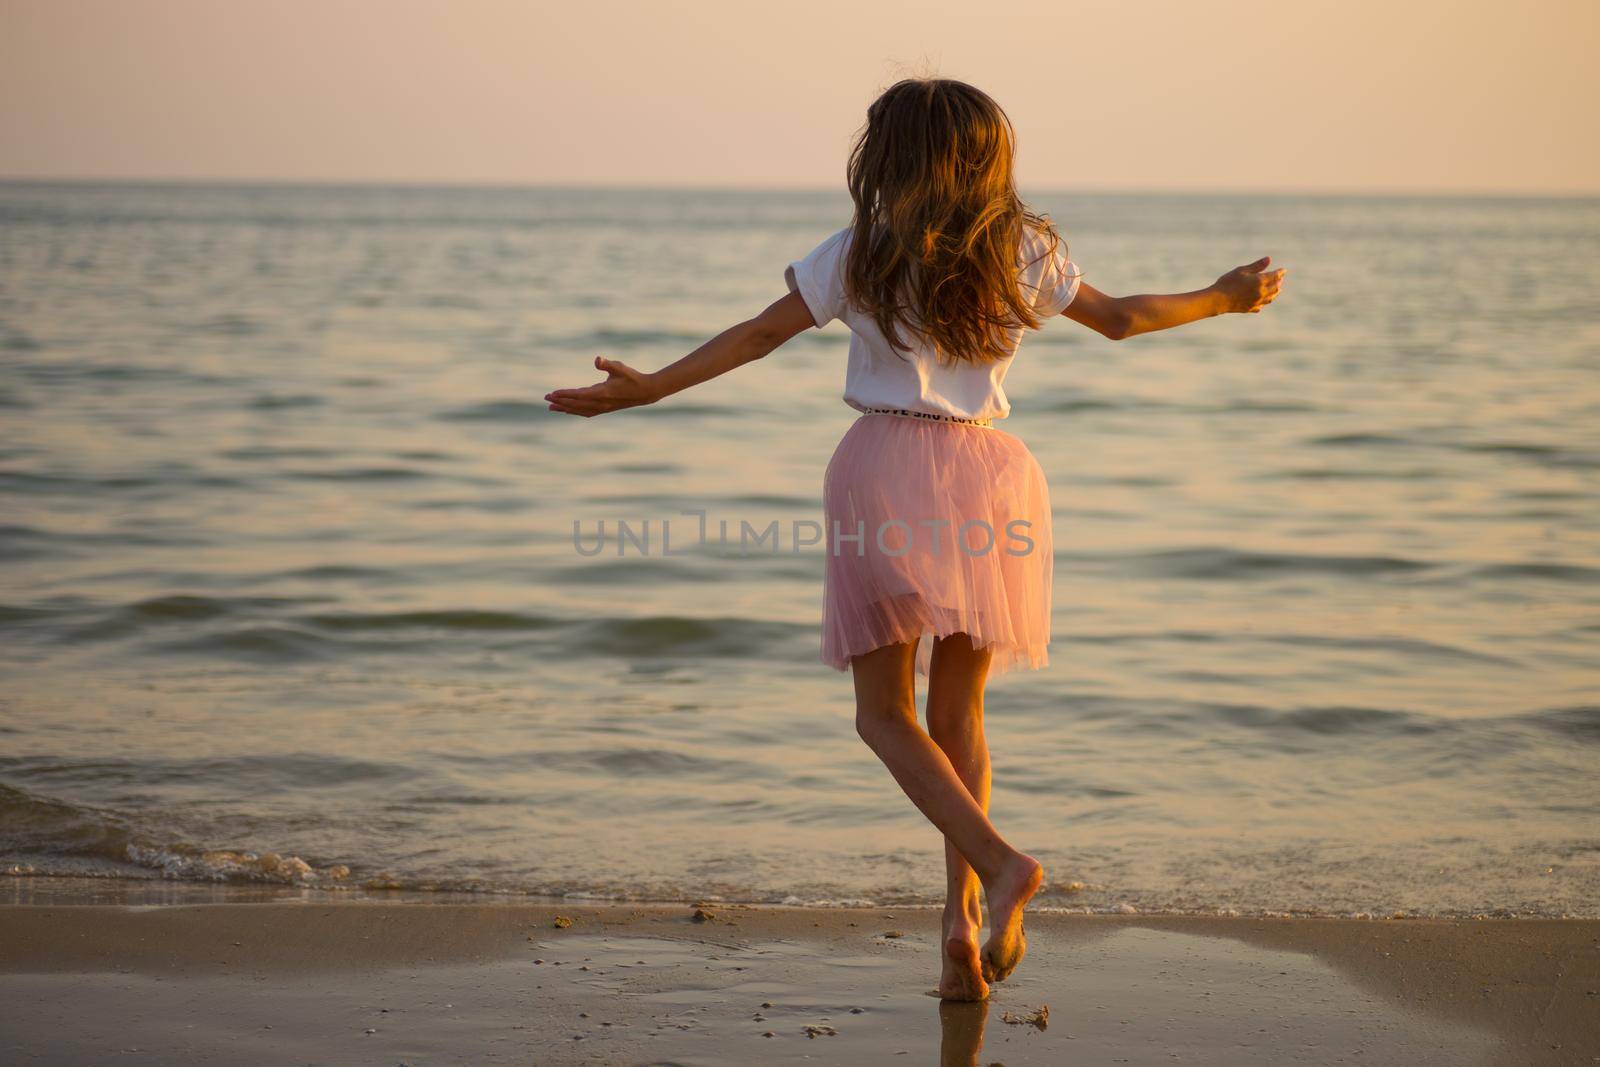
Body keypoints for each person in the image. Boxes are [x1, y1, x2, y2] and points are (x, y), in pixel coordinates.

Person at [544, 77, 1285, 1001]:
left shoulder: (862, 249)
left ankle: (1000, 864)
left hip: (885, 469)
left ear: (886, 159)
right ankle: (958, 922)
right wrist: (1223, 296)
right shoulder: (1023, 247)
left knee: (882, 713)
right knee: (959, 714)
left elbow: (755, 338)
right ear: (989, 160)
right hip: (992, 478)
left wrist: (649, 387)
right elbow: (1124, 320)